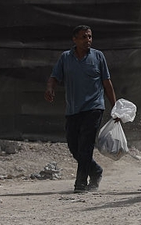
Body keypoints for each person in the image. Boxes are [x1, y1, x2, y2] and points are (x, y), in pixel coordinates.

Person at [45, 25, 117, 193]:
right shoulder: (65, 58)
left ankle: (81, 183)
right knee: (73, 146)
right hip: (73, 109)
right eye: (84, 37)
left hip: (94, 107)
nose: (88, 40)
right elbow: (54, 77)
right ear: (75, 39)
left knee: (85, 144)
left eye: (90, 37)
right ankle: (95, 170)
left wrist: (115, 106)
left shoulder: (98, 57)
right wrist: (50, 88)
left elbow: (107, 83)